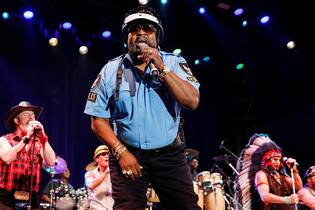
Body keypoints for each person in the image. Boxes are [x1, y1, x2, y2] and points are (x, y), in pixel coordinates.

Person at [84, 5, 200, 210]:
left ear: (158, 36)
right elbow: (97, 120)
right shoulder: (111, 69)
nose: (140, 33)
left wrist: (161, 68)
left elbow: (192, 101)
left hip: (169, 156)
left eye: (148, 29)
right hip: (127, 154)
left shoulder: (174, 62)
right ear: (126, 37)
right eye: (134, 29)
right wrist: (120, 151)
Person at [0, 101, 56, 210]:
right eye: (26, 115)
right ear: (16, 120)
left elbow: (51, 162)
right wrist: (26, 138)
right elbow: (7, 158)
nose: (31, 119)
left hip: (31, 199)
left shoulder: (38, 143)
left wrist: (44, 138)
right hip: (6, 200)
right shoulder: (4, 140)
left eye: (33, 116)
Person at [234, 133, 303, 210]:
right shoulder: (261, 175)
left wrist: (294, 171)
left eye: (279, 160)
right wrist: (287, 200)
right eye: (275, 159)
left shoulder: (281, 175)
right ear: (266, 160)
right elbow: (265, 196)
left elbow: (298, 187)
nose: (278, 163)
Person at [85, 145, 114, 210]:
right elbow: (91, 185)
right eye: (103, 154)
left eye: (108, 154)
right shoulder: (90, 174)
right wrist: (106, 172)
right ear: (97, 159)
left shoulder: (113, 175)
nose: (107, 156)